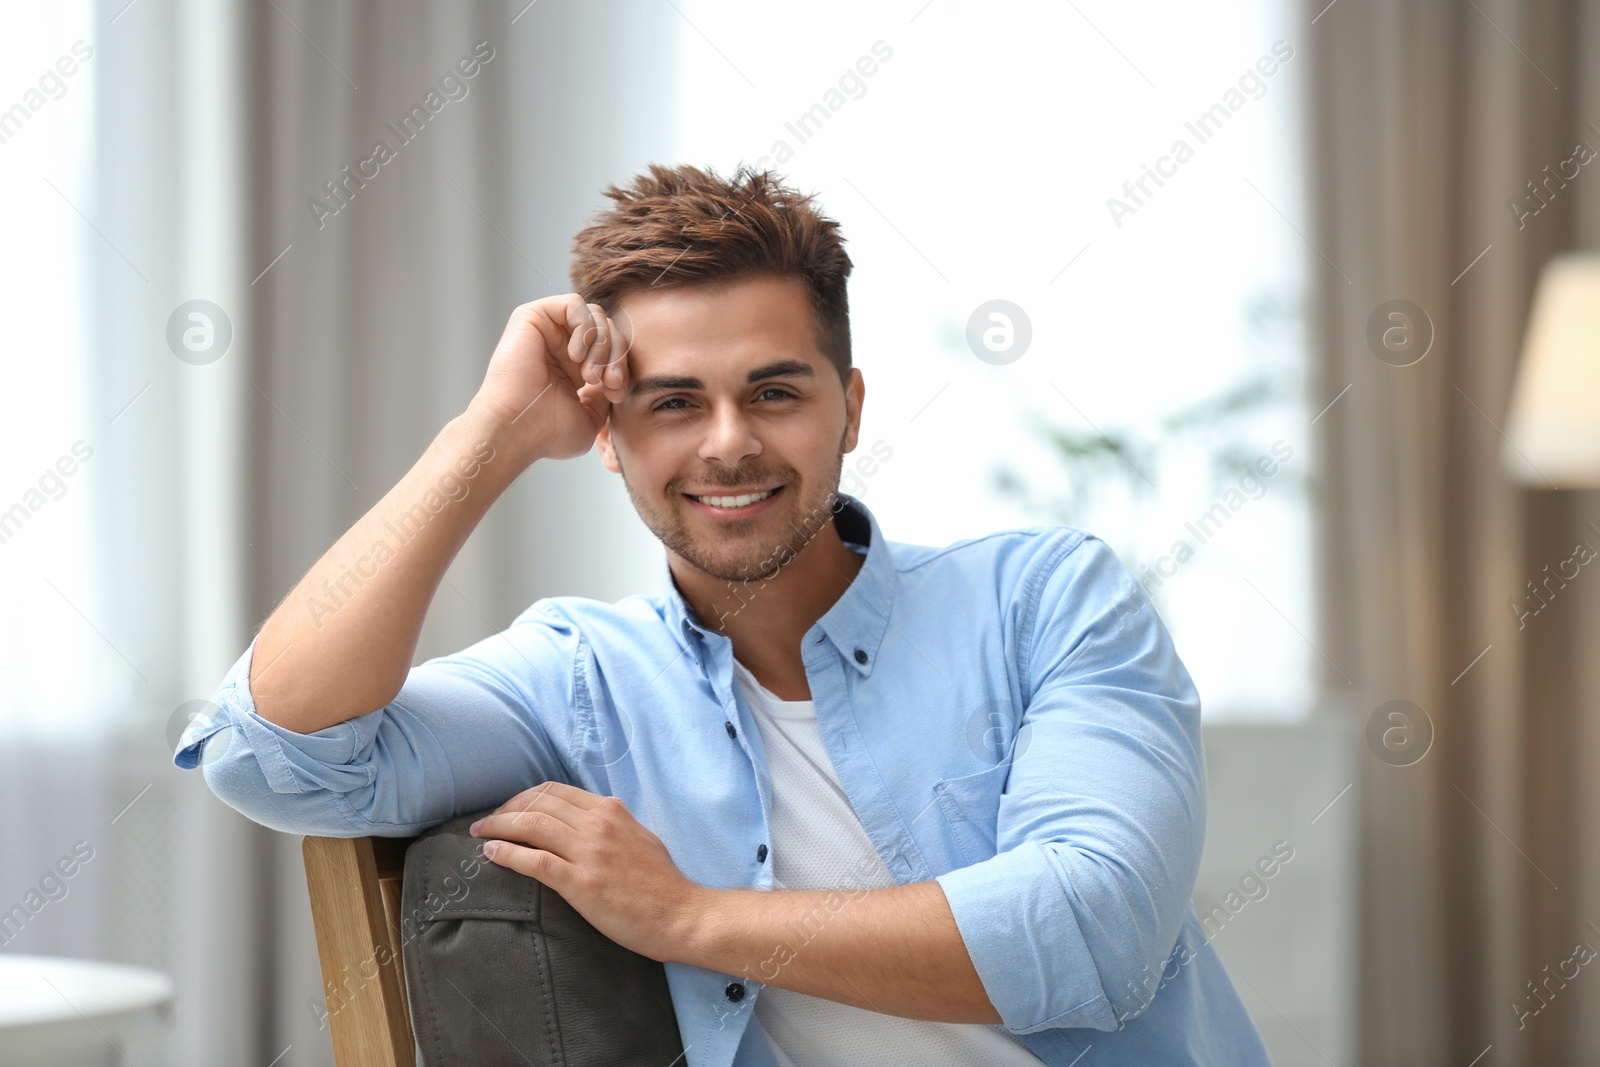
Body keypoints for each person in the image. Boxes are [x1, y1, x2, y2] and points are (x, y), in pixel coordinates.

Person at [175, 163, 1273, 1067]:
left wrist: (686, 914)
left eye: (776, 391)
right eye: (672, 403)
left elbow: (1094, 928)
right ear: (608, 434)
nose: (728, 442)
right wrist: (492, 433)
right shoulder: (578, 678)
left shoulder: (1045, 597)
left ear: (850, 408)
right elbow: (273, 755)